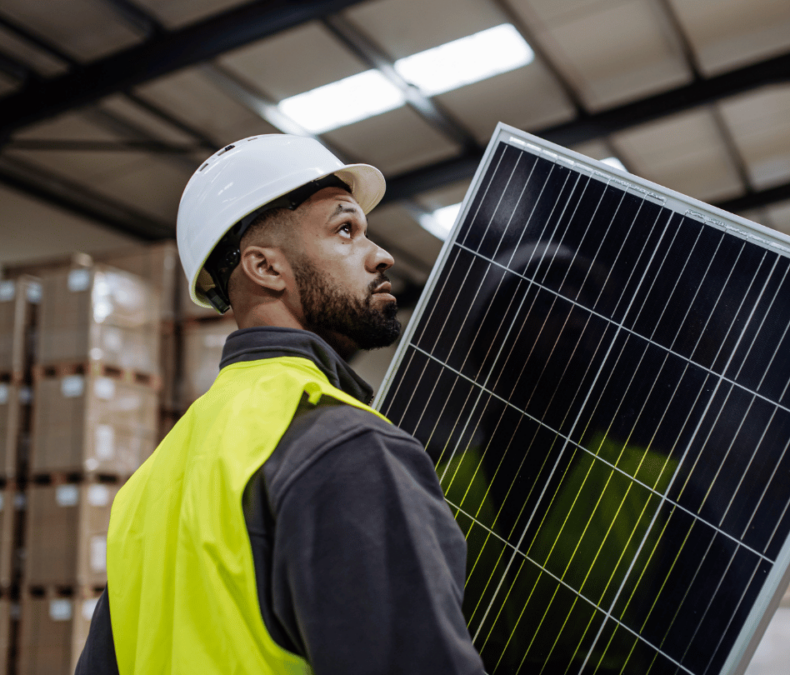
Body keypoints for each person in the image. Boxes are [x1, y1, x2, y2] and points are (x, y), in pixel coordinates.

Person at [75, 135, 487, 674]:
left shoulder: (147, 488)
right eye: (345, 230)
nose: (380, 254)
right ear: (265, 268)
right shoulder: (346, 448)